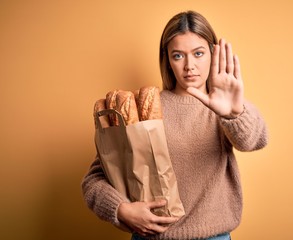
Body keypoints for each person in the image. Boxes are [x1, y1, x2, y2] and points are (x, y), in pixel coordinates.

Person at [82, 10, 268, 240]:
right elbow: (94, 180)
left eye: (198, 53)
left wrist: (234, 113)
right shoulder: (146, 110)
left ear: (212, 53)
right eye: (178, 56)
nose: (189, 65)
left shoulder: (225, 106)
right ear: (168, 61)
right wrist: (121, 210)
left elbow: (255, 141)